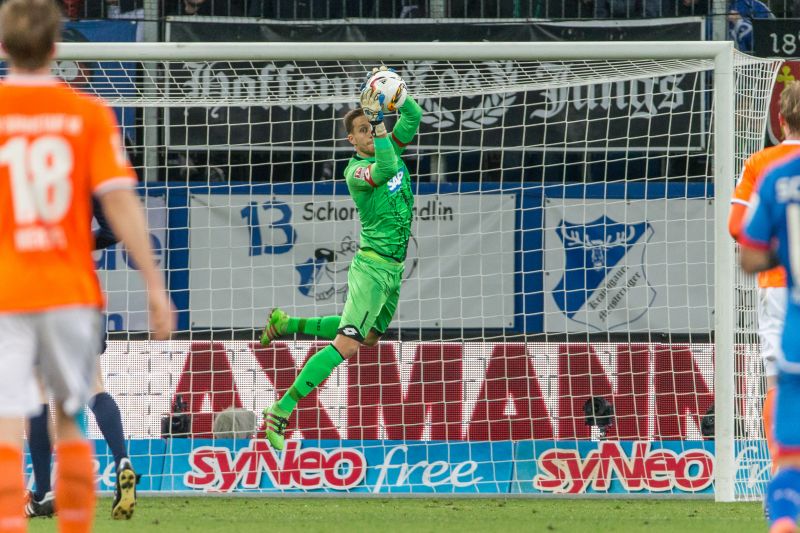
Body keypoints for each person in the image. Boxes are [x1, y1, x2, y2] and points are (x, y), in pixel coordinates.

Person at [0, 1, 174, 532]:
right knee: (73, 412)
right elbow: (122, 205)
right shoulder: (89, 116)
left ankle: (26, 505)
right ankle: (76, 513)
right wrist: (154, 285)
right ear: (57, 49)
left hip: (12, 287)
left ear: (4, 48)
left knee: (16, 411)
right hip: (72, 288)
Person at [259, 67, 422, 450]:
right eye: (363, 129)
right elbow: (384, 168)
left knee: (366, 336)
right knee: (347, 344)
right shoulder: (356, 170)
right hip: (372, 265)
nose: (371, 132)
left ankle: (286, 324)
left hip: (393, 268)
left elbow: (413, 117)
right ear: (353, 139)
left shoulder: (390, 146)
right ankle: (281, 410)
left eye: (372, 127)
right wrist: (381, 123)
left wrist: (396, 95)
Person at [25, 200, 139, 520]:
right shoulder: (81, 172)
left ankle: (44, 491)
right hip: (82, 292)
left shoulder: (17, 170)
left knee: (35, 392)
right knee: (94, 386)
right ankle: (122, 463)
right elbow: (114, 229)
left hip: (37, 291)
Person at [729, 87, 800, 476]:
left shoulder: (763, 163)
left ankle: (782, 476)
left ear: (781, 121)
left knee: (781, 379)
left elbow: (736, 226)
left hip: (778, 285)